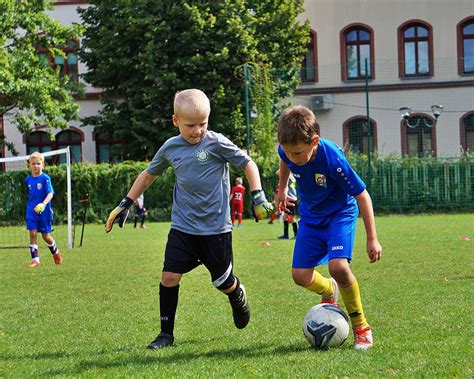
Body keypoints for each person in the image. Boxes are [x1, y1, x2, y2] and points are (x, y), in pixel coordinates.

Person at [105, 89, 273, 350]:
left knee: (223, 282)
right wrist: (126, 203)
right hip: (183, 227)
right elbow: (148, 175)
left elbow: (248, 164)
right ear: (176, 121)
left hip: (216, 229)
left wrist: (258, 195)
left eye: (203, 124)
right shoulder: (170, 148)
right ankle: (165, 334)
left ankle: (237, 293)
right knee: (169, 276)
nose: (197, 131)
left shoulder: (217, 143)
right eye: (190, 125)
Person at [276, 105, 382, 350]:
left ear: (314, 140)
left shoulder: (332, 158)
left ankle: (361, 327)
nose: (293, 158)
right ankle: (329, 290)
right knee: (300, 276)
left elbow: (362, 196)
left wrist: (372, 239)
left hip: (339, 214)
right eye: (289, 152)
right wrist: (282, 189)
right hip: (311, 218)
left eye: (298, 153)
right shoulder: (288, 150)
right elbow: (284, 160)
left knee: (338, 267)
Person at [25, 152, 63, 267]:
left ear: (43, 165)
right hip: (32, 211)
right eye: (33, 164)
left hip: (44, 212)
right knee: (32, 233)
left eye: (38, 163)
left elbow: (50, 193)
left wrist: (43, 204)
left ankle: (56, 252)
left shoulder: (45, 178)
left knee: (45, 236)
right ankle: (35, 260)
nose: (36, 166)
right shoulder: (28, 179)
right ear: (29, 165)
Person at [277, 170, 298, 240]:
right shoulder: (292, 176)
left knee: (291, 218)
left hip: (291, 198)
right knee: (285, 217)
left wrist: (284, 164)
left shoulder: (289, 176)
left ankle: (296, 234)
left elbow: (278, 172)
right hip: (289, 198)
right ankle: (286, 235)